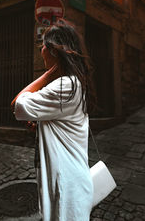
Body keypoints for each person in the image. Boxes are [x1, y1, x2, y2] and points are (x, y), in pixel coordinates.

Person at [11, 20, 96, 221]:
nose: (41, 50)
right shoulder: (74, 83)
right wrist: (44, 125)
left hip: (68, 187)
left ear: (54, 51)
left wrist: (49, 74)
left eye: (44, 45)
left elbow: (17, 104)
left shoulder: (65, 86)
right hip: (67, 182)